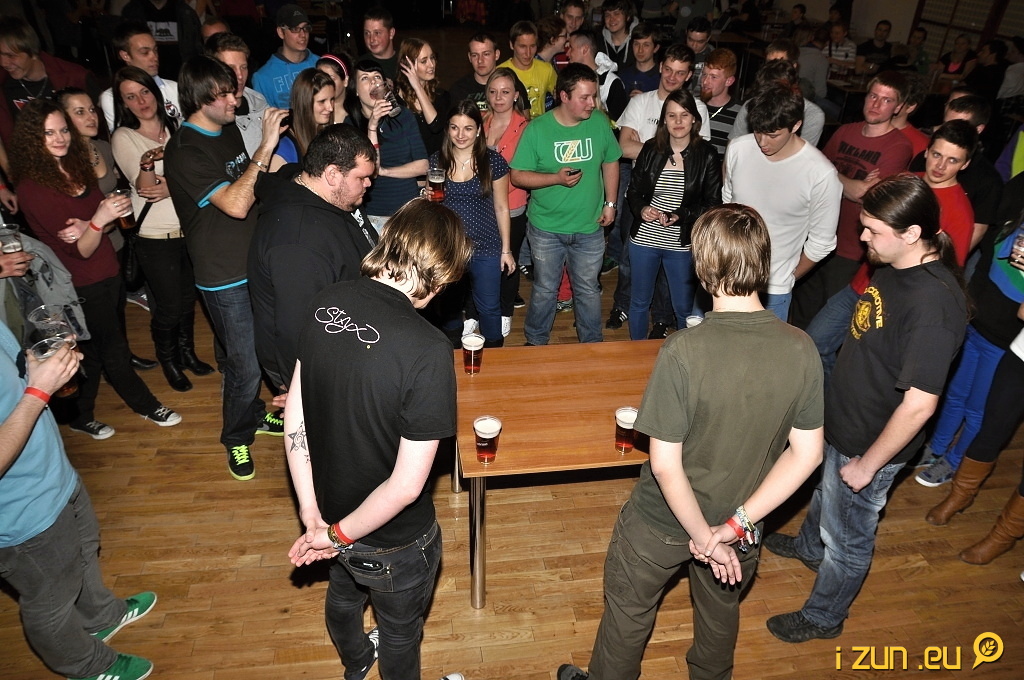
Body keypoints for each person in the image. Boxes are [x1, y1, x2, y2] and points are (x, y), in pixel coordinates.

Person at [556, 203, 824, 680]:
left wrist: (703, 537)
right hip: (741, 526)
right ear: (764, 263)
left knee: (627, 616)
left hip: (660, 523)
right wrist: (732, 529)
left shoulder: (684, 349)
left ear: (702, 268)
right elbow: (808, 455)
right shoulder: (802, 348)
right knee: (719, 620)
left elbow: (664, 465)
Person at [765, 174, 967, 644]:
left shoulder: (935, 307)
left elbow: (919, 406)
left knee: (848, 540)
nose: (862, 237)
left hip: (869, 445)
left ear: (912, 233)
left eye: (873, 229)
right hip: (844, 422)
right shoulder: (892, 264)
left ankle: (824, 617)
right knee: (825, 494)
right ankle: (809, 547)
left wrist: (868, 465)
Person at [284, 199, 472, 680]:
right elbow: (406, 487)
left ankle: (356, 662)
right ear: (439, 275)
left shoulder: (327, 300)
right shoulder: (428, 350)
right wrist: (335, 535)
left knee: (343, 595)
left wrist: (313, 513)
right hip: (392, 540)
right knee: (400, 634)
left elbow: (295, 415)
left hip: (329, 509)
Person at [10, 99, 182, 438]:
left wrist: (96, 221)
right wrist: (98, 220)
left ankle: (80, 415)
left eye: (63, 130)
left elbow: (104, 227)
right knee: (113, 348)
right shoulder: (33, 189)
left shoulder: (74, 168)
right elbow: (81, 251)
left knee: (94, 350)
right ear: (32, 140)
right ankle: (147, 405)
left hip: (108, 270)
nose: (60, 138)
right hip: (81, 282)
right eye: (48, 133)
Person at [0, 323, 158, 680]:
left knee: (85, 548)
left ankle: (100, 616)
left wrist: (41, 363)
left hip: (51, 471)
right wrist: (39, 391)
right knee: (50, 599)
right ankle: (86, 666)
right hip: (20, 512)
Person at [164, 55, 289, 480]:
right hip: (222, 276)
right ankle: (236, 436)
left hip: (253, 262)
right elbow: (236, 203)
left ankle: (253, 412)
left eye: (233, 91)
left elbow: (252, 186)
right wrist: (265, 147)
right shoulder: (185, 149)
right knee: (244, 364)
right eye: (224, 94)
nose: (236, 99)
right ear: (200, 98)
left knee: (262, 349)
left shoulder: (227, 128)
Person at [249, 124, 378, 393]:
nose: (369, 183)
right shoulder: (297, 243)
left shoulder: (328, 195)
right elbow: (296, 332)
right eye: (362, 177)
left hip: (346, 341)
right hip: (316, 369)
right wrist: (305, 394)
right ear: (331, 174)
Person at [110, 66, 214, 393]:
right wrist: (148, 163)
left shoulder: (177, 127)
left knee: (188, 301)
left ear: (155, 93)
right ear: (123, 103)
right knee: (168, 307)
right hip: (154, 237)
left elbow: (197, 174)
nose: (141, 101)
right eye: (131, 97)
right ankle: (168, 360)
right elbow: (146, 187)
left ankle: (187, 353)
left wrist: (171, 184)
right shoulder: (123, 136)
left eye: (144, 92)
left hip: (189, 231)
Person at [790, 71, 913, 330]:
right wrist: (850, 183)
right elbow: (812, 174)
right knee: (799, 316)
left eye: (886, 100)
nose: (876, 104)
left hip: (852, 248)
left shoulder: (898, 146)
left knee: (829, 325)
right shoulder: (845, 131)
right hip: (814, 235)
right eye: (873, 96)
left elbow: (863, 194)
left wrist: (833, 176)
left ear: (898, 107)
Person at [511, 64, 621, 346]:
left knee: (588, 290)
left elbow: (611, 160)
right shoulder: (537, 129)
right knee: (545, 290)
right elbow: (518, 175)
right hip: (546, 228)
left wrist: (610, 203)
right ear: (564, 96)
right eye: (584, 97)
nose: (592, 103)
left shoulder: (599, 122)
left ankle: (591, 344)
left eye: (593, 96)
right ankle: (535, 342)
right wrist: (555, 178)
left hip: (589, 227)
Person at [608, 44, 710, 336]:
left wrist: (681, 214)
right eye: (668, 70)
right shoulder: (642, 107)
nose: (672, 77)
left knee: (677, 293)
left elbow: (703, 178)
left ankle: (663, 322)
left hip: (682, 227)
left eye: (680, 72)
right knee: (630, 268)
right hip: (643, 213)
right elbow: (623, 148)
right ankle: (623, 310)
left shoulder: (700, 115)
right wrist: (660, 153)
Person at [724, 82, 841, 322]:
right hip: (727, 278)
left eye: (773, 135)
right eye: (758, 131)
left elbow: (822, 243)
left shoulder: (821, 174)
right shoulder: (738, 148)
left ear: (796, 125)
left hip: (773, 292)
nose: (762, 141)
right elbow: (728, 202)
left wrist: (785, 278)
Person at [625, 89, 720, 340]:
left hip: (682, 243)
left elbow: (713, 204)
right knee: (639, 303)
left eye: (684, 115)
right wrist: (642, 209)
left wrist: (682, 214)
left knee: (683, 309)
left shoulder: (707, 155)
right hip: (644, 239)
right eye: (672, 115)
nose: (678, 121)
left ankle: (683, 356)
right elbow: (633, 191)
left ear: (694, 119)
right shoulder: (650, 149)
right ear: (664, 120)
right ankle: (637, 354)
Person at [433, 101, 515, 348]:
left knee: (489, 306)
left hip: (486, 245)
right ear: (447, 129)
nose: (460, 134)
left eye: (468, 128)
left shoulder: (493, 162)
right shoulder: (437, 161)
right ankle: (454, 355)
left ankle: (495, 358)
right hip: (450, 248)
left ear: (478, 130)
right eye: (454, 127)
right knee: (449, 308)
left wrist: (506, 250)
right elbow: (434, 208)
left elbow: (502, 208)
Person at [0, 16, 99, 154]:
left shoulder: (75, 77)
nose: (3, 63)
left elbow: (98, 124)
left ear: (33, 53)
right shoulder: (3, 84)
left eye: (11, 56)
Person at [349, 60, 428, 234]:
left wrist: (386, 171)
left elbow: (423, 165)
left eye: (377, 77)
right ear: (356, 90)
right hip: (374, 216)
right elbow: (371, 169)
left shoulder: (404, 116)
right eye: (365, 78)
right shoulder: (351, 124)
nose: (373, 82)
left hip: (408, 211)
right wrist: (372, 126)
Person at [483, 67, 530, 337]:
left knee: (508, 260)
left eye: (504, 92)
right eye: (493, 92)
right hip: (483, 205)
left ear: (515, 95)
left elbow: (522, 171)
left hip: (512, 205)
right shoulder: (481, 122)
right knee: (484, 260)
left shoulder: (525, 127)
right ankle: (482, 310)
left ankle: (505, 312)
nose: (498, 97)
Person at [730, 40, 826, 148]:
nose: (773, 68)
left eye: (780, 63)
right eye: (769, 63)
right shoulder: (752, 105)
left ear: (793, 67)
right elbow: (734, 145)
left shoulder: (811, 114)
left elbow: (802, 154)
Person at [99, 20, 182, 133]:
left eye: (155, 50)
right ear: (125, 55)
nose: (154, 57)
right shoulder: (111, 97)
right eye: (145, 52)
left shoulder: (174, 88)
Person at [205, 31, 269, 158]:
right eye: (231, 68)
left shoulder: (259, 102)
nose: (239, 76)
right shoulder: (208, 116)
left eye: (243, 67)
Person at [251, 4, 319, 109]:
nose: (303, 35)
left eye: (305, 28)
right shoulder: (263, 78)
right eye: (295, 29)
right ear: (281, 32)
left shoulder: (321, 65)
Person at [121, 0, 204, 81]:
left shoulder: (185, 12)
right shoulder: (133, 11)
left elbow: (197, 48)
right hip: (143, 78)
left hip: (180, 78)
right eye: (145, 52)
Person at [269, 68, 335, 169]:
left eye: (332, 99)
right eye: (322, 101)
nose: (330, 108)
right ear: (304, 103)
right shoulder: (284, 147)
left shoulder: (326, 135)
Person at [396, 38, 451, 156]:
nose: (431, 65)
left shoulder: (442, 96)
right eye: (424, 61)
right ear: (408, 65)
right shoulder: (396, 101)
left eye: (432, 58)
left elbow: (435, 126)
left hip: (438, 164)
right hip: (411, 164)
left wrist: (418, 87)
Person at [449, 32, 529, 113]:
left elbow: (525, 118)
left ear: (496, 55)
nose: (480, 60)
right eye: (475, 55)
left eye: (486, 54)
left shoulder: (512, 83)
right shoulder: (459, 89)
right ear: (469, 57)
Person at [501, 21, 558, 121]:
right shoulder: (501, 72)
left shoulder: (546, 69)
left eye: (532, 46)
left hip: (539, 127)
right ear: (511, 45)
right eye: (522, 46)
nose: (528, 53)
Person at [566, 29, 628, 121]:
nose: (567, 53)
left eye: (571, 48)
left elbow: (619, 123)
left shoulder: (611, 82)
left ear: (585, 50)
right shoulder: (569, 79)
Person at [698, 47, 739, 157]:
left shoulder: (740, 113)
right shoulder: (692, 105)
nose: (705, 82)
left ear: (729, 81)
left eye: (714, 77)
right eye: (704, 74)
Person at [618, 23, 661, 96]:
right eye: (636, 44)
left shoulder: (663, 78)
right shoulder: (623, 76)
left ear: (656, 48)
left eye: (646, 45)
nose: (640, 50)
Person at [359, 5, 398, 81]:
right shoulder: (361, 67)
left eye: (377, 33)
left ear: (391, 33)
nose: (371, 39)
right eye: (367, 33)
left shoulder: (404, 64)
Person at [600, 0, 639, 69]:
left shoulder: (639, 41)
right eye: (607, 15)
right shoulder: (598, 41)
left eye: (616, 14)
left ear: (628, 16)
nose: (612, 19)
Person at [317, 53, 352, 125]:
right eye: (320, 78)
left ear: (345, 81)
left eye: (331, 78)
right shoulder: (312, 113)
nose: (324, 83)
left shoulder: (357, 114)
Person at [684, 16, 713, 97]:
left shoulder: (714, 57)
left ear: (708, 38)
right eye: (690, 40)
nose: (694, 45)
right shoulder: (678, 53)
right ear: (686, 33)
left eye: (700, 42)